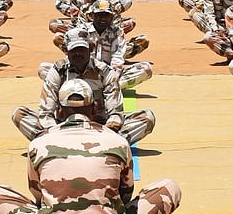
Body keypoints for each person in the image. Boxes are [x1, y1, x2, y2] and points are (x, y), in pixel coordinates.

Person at [0, 79, 181, 214]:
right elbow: (125, 195)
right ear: (95, 108)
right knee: (169, 188)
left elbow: (38, 196)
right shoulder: (118, 141)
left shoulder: (39, 143)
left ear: (59, 112)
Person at [13, 31, 155, 144]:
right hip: (62, 129)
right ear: (66, 50)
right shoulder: (57, 70)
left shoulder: (105, 72)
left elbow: (115, 113)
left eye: (82, 49)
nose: (78, 54)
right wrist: (54, 132)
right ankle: (66, 144)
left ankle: (104, 144)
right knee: (20, 114)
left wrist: (104, 132)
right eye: (73, 50)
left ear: (91, 48)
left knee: (146, 118)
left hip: (100, 129)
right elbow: (46, 112)